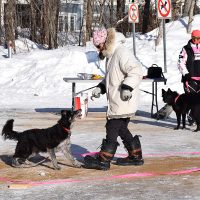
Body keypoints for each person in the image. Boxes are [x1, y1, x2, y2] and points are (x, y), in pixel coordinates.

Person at [84, 28, 144, 170]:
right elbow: (111, 77)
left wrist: (127, 87)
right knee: (121, 128)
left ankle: (104, 159)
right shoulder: (111, 54)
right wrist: (101, 87)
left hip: (124, 99)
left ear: (105, 42)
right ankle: (135, 155)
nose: (98, 49)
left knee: (112, 127)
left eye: (98, 45)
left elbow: (136, 70)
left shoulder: (121, 52)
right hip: (118, 99)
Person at [177, 29, 200, 125]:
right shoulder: (186, 48)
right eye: (194, 38)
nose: (196, 40)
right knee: (192, 101)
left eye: (198, 38)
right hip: (190, 79)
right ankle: (191, 116)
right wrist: (186, 74)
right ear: (191, 37)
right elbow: (180, 63)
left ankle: (195, 116)